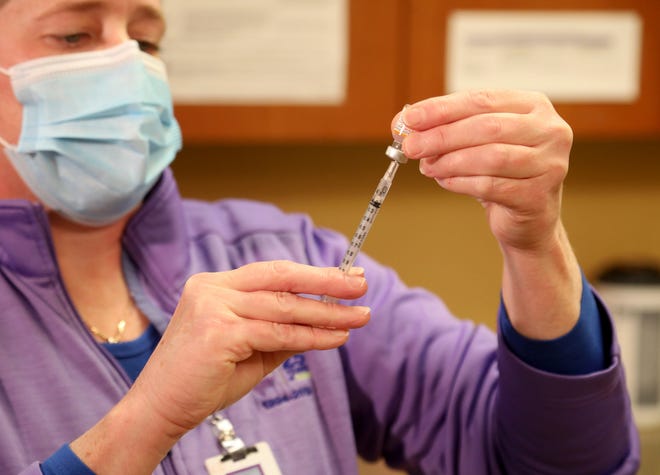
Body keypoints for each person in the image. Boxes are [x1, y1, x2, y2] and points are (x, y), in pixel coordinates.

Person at [0, 1, 640, 474]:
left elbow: (563, 462)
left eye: (146, 40)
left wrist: (536, 245)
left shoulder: (278, 255)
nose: (125, 65)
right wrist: (146, 423)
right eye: (73, 34)